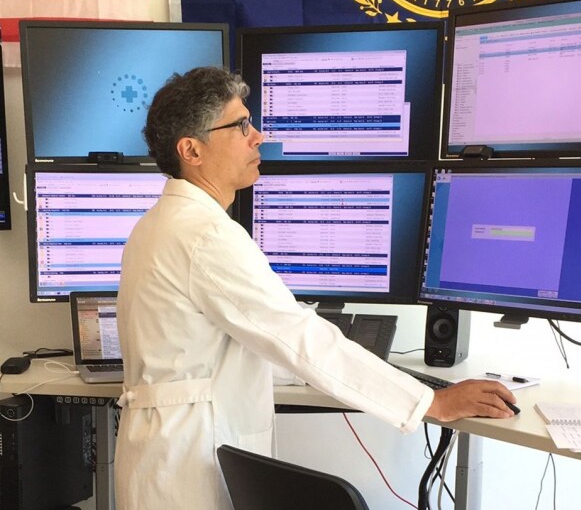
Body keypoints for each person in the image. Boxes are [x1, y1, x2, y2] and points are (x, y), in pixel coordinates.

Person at [114, 66, 516, 509]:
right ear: (191, 149)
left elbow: (239, 342)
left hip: (163, 455)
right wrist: (430, 403)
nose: (258, 136)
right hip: (186, 468)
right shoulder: (204, 235)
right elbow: (300, 339)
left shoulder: (159, 224)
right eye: (240, 125)